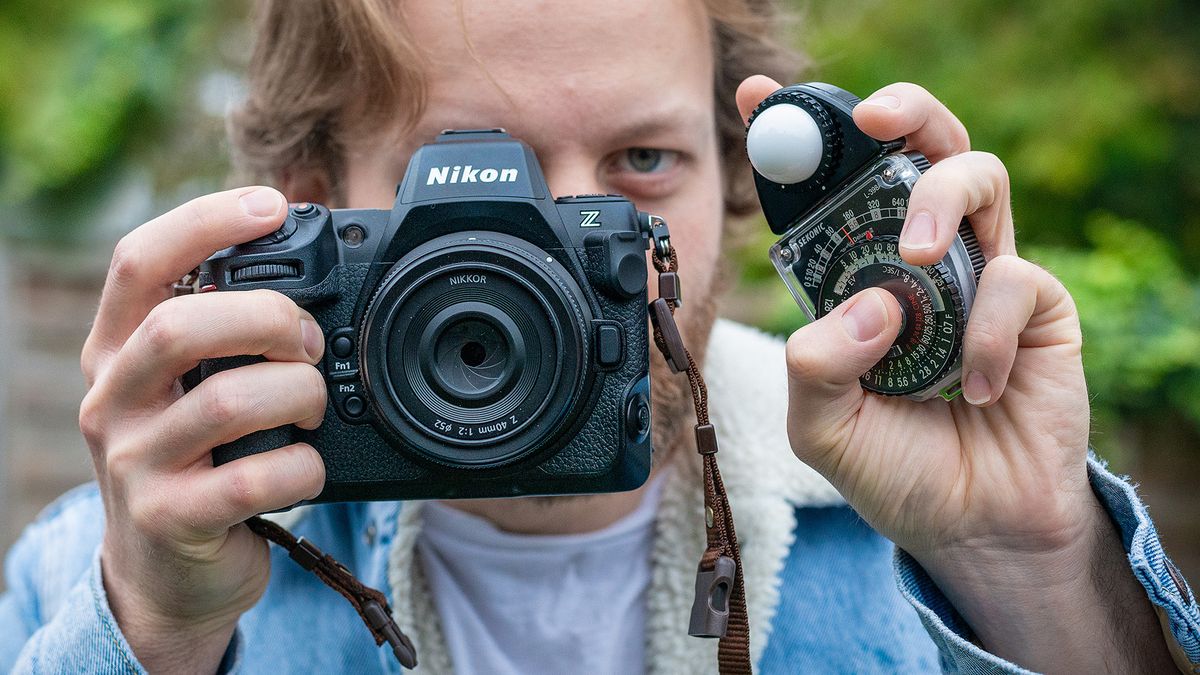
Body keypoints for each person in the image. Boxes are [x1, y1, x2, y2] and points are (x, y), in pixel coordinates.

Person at [2, 0, 1197, 672]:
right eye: (480, 181)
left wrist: (1033, 569)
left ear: (737, 181)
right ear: (316, 204)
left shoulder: (905, 515)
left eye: (642, 162)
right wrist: (154, 631)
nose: (572, 251)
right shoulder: (121, 568)